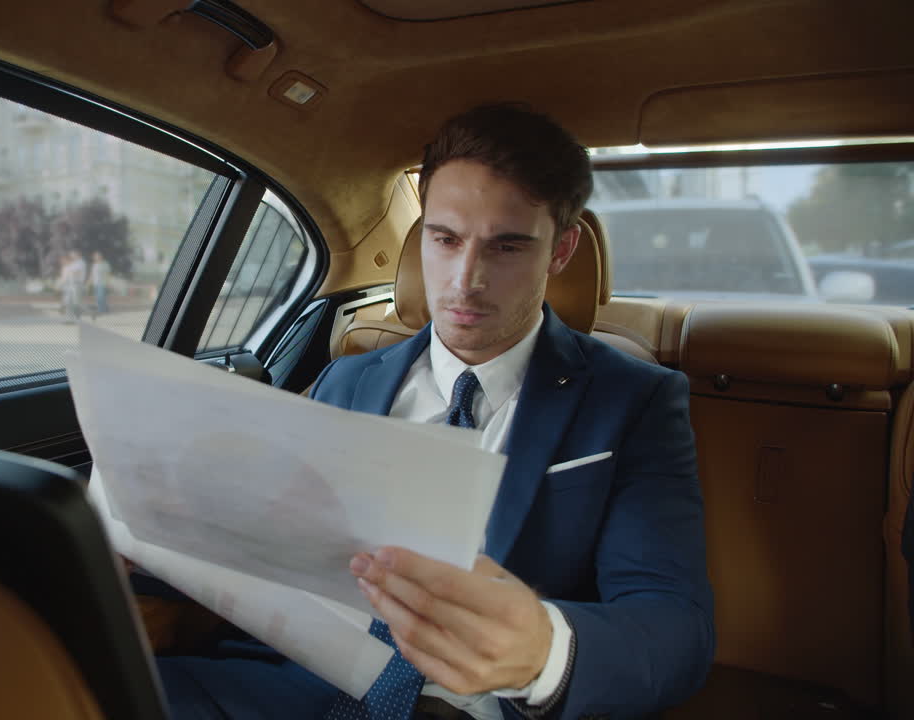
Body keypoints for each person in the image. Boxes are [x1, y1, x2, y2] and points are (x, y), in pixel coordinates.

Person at [155, 103, 714, 720]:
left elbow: (674, 626)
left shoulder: (635, 400)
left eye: (506, 247)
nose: (465, 279)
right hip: (296, 687)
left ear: (561, 250)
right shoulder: (345, 376)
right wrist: (151, 543)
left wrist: (542, 651)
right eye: (444, 240)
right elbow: (270, 539)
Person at [58, 249, 87, 322]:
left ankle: (79, 315)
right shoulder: (73, 263)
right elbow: (67, 274)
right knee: (68, 302)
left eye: (73, 255)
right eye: (71, 255)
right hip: (70, 284)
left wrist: (71, 272)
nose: (71, 256)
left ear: (77, 255)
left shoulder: (81, 262)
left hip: (77, 284)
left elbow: (77, 272)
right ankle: (69, 318)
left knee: (76, 302)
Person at [90, 250, 110, 318]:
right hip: (96, 283)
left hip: (102, 283)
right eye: (95, 257)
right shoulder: (94, 265)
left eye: (98, 256)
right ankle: (104, 308)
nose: (96, 257)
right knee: (97, 297)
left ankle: (101, 310)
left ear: (101, 257)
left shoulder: (105, 264)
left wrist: (107, 283)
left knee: (101, 296)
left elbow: (108, 274)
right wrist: (89, 282)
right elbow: (92, 275)